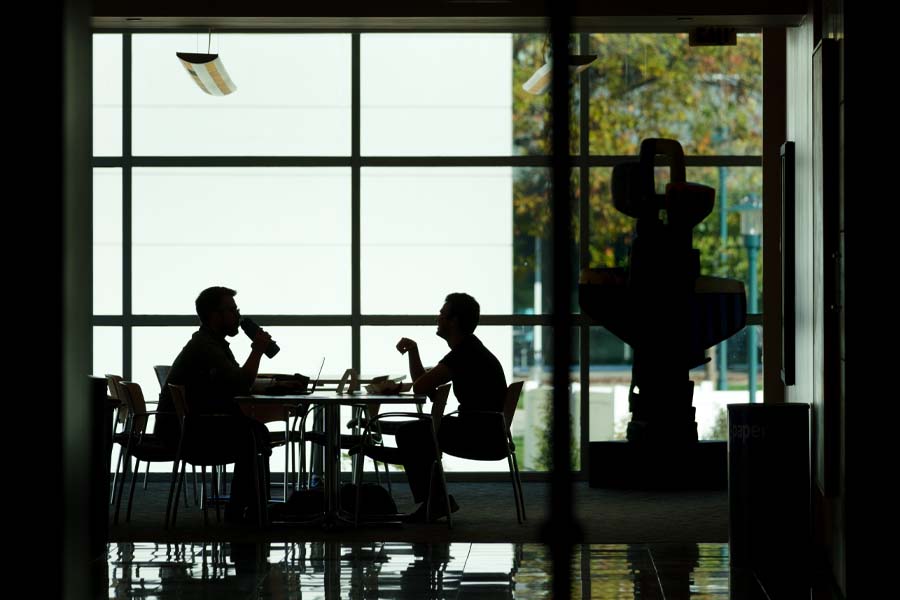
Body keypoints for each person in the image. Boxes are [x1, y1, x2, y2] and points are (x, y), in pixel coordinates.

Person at [156, 286, 275, 523]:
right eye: (231, 310)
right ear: (214, 315)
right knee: (251, 434)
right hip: (189, 433)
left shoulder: (210, 344)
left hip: (189, 427)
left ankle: (251, 509)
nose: (238, 316)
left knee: (254, 432)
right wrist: (258, 350)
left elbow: (234, 381)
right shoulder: (206, 348)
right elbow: (241, 384)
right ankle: (247, 511)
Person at [394, 292, 507, 522]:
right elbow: (424, 385)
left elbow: (420, 387)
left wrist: (414, 353)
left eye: (442, 314)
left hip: (479, 435)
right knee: (419, 431)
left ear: (454, 321)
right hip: (489, 432)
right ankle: (436, 501)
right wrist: (414, 352)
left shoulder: (464, 354)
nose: (438, 318)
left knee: (409, 433)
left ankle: (434, 502)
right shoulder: (471, 350)